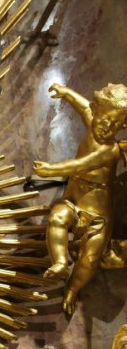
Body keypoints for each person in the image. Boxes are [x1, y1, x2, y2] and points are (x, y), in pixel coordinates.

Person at [34, 83, 127, 315]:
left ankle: (73, 290)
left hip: (99, 220)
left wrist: (51, 170)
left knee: (89, 261)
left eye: (116, 124)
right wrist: (65, 93)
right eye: (105, 119)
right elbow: (83, 106)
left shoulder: (110, 151)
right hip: (73, 203)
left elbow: (80, 165)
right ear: (97, 112)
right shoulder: (92, 121)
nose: (108, 127)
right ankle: (60, 263)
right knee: (57, 218)